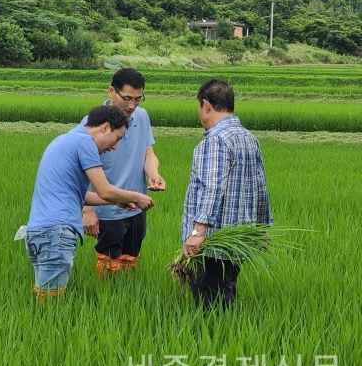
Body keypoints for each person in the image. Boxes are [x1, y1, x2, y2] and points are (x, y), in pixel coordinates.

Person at [26, 104, 155, 303]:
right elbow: (104, 189)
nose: (114, 147)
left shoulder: (66, 139)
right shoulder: (85, 143)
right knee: (51, 303)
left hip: (38, 232)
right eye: (117, 138)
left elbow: (80, 195)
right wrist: (136, 197)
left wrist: (120, 201)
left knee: (43, 295)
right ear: (104, 127)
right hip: (56, 233)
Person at [182, 79, 272, 309]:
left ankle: (211, 340)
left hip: (213, 242)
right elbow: (259, 185)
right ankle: (223, 336)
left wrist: (197, 232)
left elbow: (212, 187)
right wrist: (262, 229)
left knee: (209, 304)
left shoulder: (215, 140)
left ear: (206, 105)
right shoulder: (248, 137)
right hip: (237, 239)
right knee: (225, 292)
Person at [80, 68, 165, 278]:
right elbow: (79, 172)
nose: (132, 105)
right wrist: (88, 211)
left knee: (130, 264)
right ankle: (107, 302)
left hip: (137, 208)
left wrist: (154, 173)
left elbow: (148, 152)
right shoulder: (92, 125)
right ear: (111, 91)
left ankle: (124, 299)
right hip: (108, 210)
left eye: (138, 99)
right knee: (109, 267)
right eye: (127, 98)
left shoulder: (142, 116)